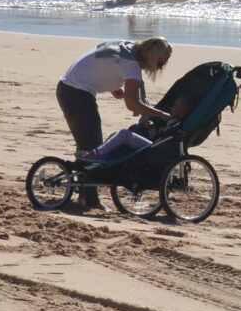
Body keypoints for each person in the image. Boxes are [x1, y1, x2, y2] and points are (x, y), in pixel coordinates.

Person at [53, 38, 176, 213]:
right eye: (163, 60)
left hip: (70, 88)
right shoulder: (131, 65)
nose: (163, 65)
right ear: (153, 56)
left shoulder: (127, 47)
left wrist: (113, 87)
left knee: (89, 145)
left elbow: (104, 61)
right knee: (92, 148)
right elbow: (132, 104)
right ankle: (90, 200)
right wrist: (161, 114)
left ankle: (84, 196)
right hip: (76, 93)